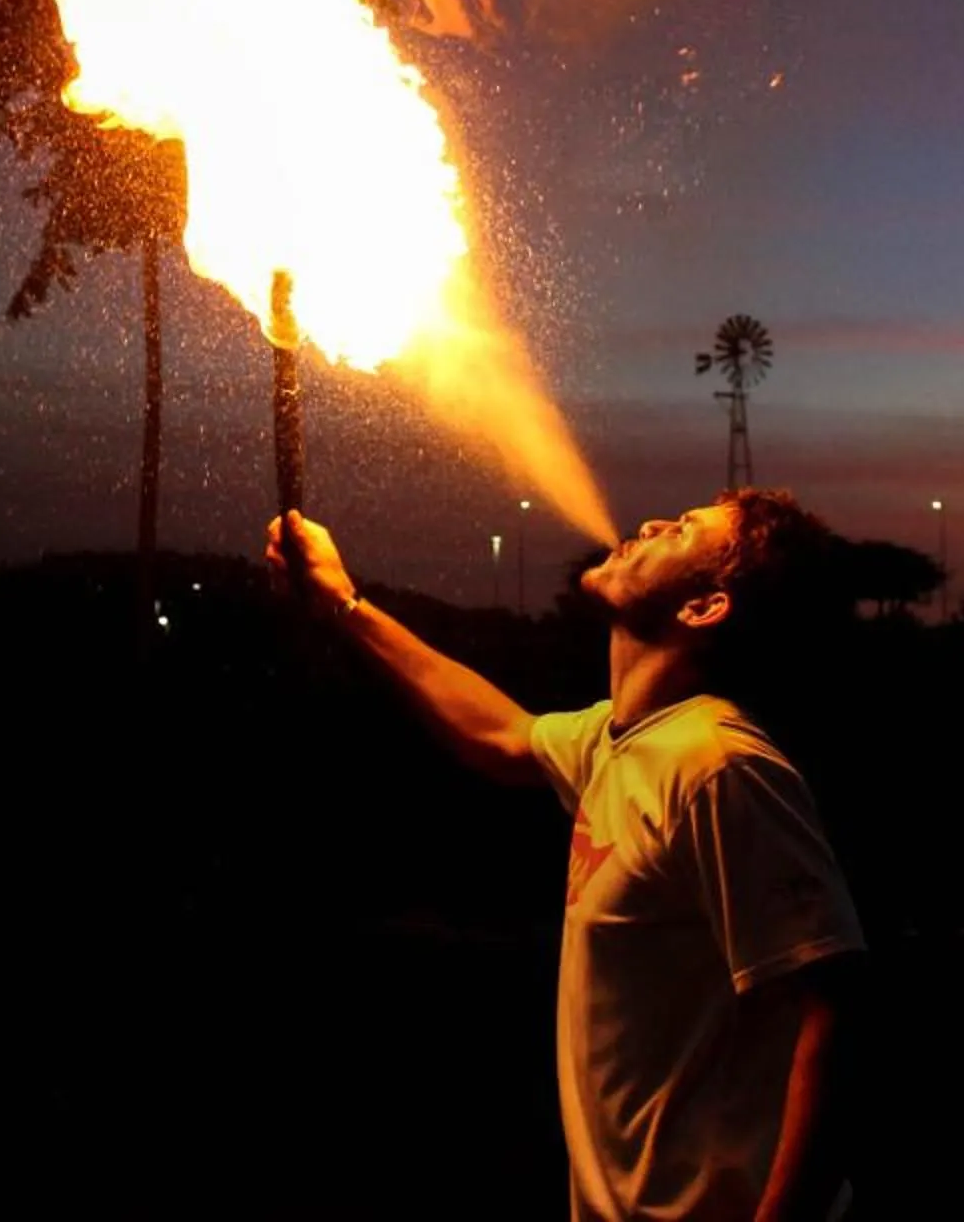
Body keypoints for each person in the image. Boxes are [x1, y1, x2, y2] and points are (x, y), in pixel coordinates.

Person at [265, 491, 862, 1222]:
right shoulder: (622, 738)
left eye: (684, 530)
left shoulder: (717, 765)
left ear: (704, 607)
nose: (649, 524)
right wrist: (343, 603)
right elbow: (505, 736)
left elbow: (838, 1011)